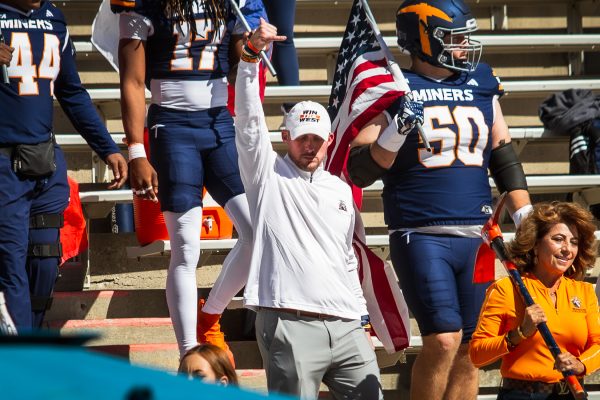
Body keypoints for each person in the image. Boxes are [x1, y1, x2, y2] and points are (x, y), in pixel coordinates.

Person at [345, 0, 532, 399]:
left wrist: (525, 213)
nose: (465, 47)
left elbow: (502, 152)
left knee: (471, 348)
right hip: (422, 232)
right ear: (423, 39)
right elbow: (358, 168)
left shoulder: (482, 81)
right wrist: (394, 131)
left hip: (479, 236)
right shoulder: (395, 87)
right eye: (454, 39)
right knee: (443, 339)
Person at [234, 18, 383, 400]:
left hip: (348, 325)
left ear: (330, 140)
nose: (311, 147)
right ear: (286, 137)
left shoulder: (339, 188)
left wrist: (361, 314)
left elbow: (346, 258)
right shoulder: (266, 174)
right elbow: (249, 125)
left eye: (318, 139)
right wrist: (251, 59)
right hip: (289, 321)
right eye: (302, 138)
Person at [111, 0, 260, 361]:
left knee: (259, 230)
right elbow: (131, 79)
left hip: (218, 121)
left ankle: (210, 315)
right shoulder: (144, 3)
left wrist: (254, 46)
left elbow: (240, 53)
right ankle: (188, 353)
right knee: (185, 246)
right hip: (172, 126)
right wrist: (136, 151)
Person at [0, 0, 127, 331]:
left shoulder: (53, 16)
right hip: (3, 163)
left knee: (44, 261)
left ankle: (31, 339)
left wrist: (106, 147)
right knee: (9, 266)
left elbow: (71, 91)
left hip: (43, 160)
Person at [469, 201, 600, 399]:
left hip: (571, 394)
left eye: (574, 242)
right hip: (521, 395)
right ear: (536, 244)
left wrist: (581, 364)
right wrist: (519, 334)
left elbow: (598, 344)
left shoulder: (583, 292)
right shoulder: (505, 289)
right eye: (558, 239)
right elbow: (477, 355)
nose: (567, 249)